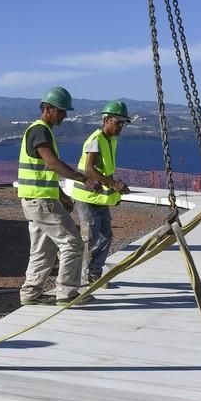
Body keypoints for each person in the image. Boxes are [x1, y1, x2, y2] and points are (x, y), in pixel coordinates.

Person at [17, 87, 101, 307]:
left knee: (43, 249)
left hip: (36, 200)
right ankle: (67, 293)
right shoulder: (40, 131)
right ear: (47, 109)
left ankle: (30, 293)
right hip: (41, 201)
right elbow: (52, 163)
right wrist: (83, 179)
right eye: (61, 111)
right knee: (72, 243)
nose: (64, 116)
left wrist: (61, 193)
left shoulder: (41, 131)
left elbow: (43, 172)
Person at [70, 100, 132, 284]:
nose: (120, 126)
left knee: (106, 235)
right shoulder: (96, 140)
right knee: (90, 237)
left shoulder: (110, 140)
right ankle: (79, 275)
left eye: (123, 123)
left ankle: (94, 273)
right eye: (117, 122)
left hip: (98, 198)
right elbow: (89, 169)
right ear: (106, 120)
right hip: (85, 197)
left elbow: (105, 171)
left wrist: (114, 193)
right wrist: (114, 185)